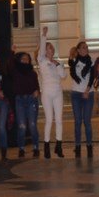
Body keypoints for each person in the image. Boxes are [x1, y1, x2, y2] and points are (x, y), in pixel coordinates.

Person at [37, 27, 66, 158]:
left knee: (59, 120)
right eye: (49, 48)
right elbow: (42, 49)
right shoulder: (42, 60)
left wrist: (58, 64)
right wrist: (44, 36)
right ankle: (47, 146)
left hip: (58, 92)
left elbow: (64, 76)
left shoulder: (57, 63)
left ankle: (58, 146)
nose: (51, 50)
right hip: (47, 93)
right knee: (49, 119)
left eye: (52, 48)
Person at [69, 41, 95, 157]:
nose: (85, 49)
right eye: (83, 48)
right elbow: (71, 71)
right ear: (78, 50)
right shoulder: (74, 61)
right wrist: (71, 56)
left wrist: (87, 90)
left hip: (88, 94)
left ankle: (89, 146)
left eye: (86, 48)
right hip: (76, 93)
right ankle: (78, 146)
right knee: (78, 121)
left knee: (87, 121)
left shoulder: (91, 61)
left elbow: (92, 77)